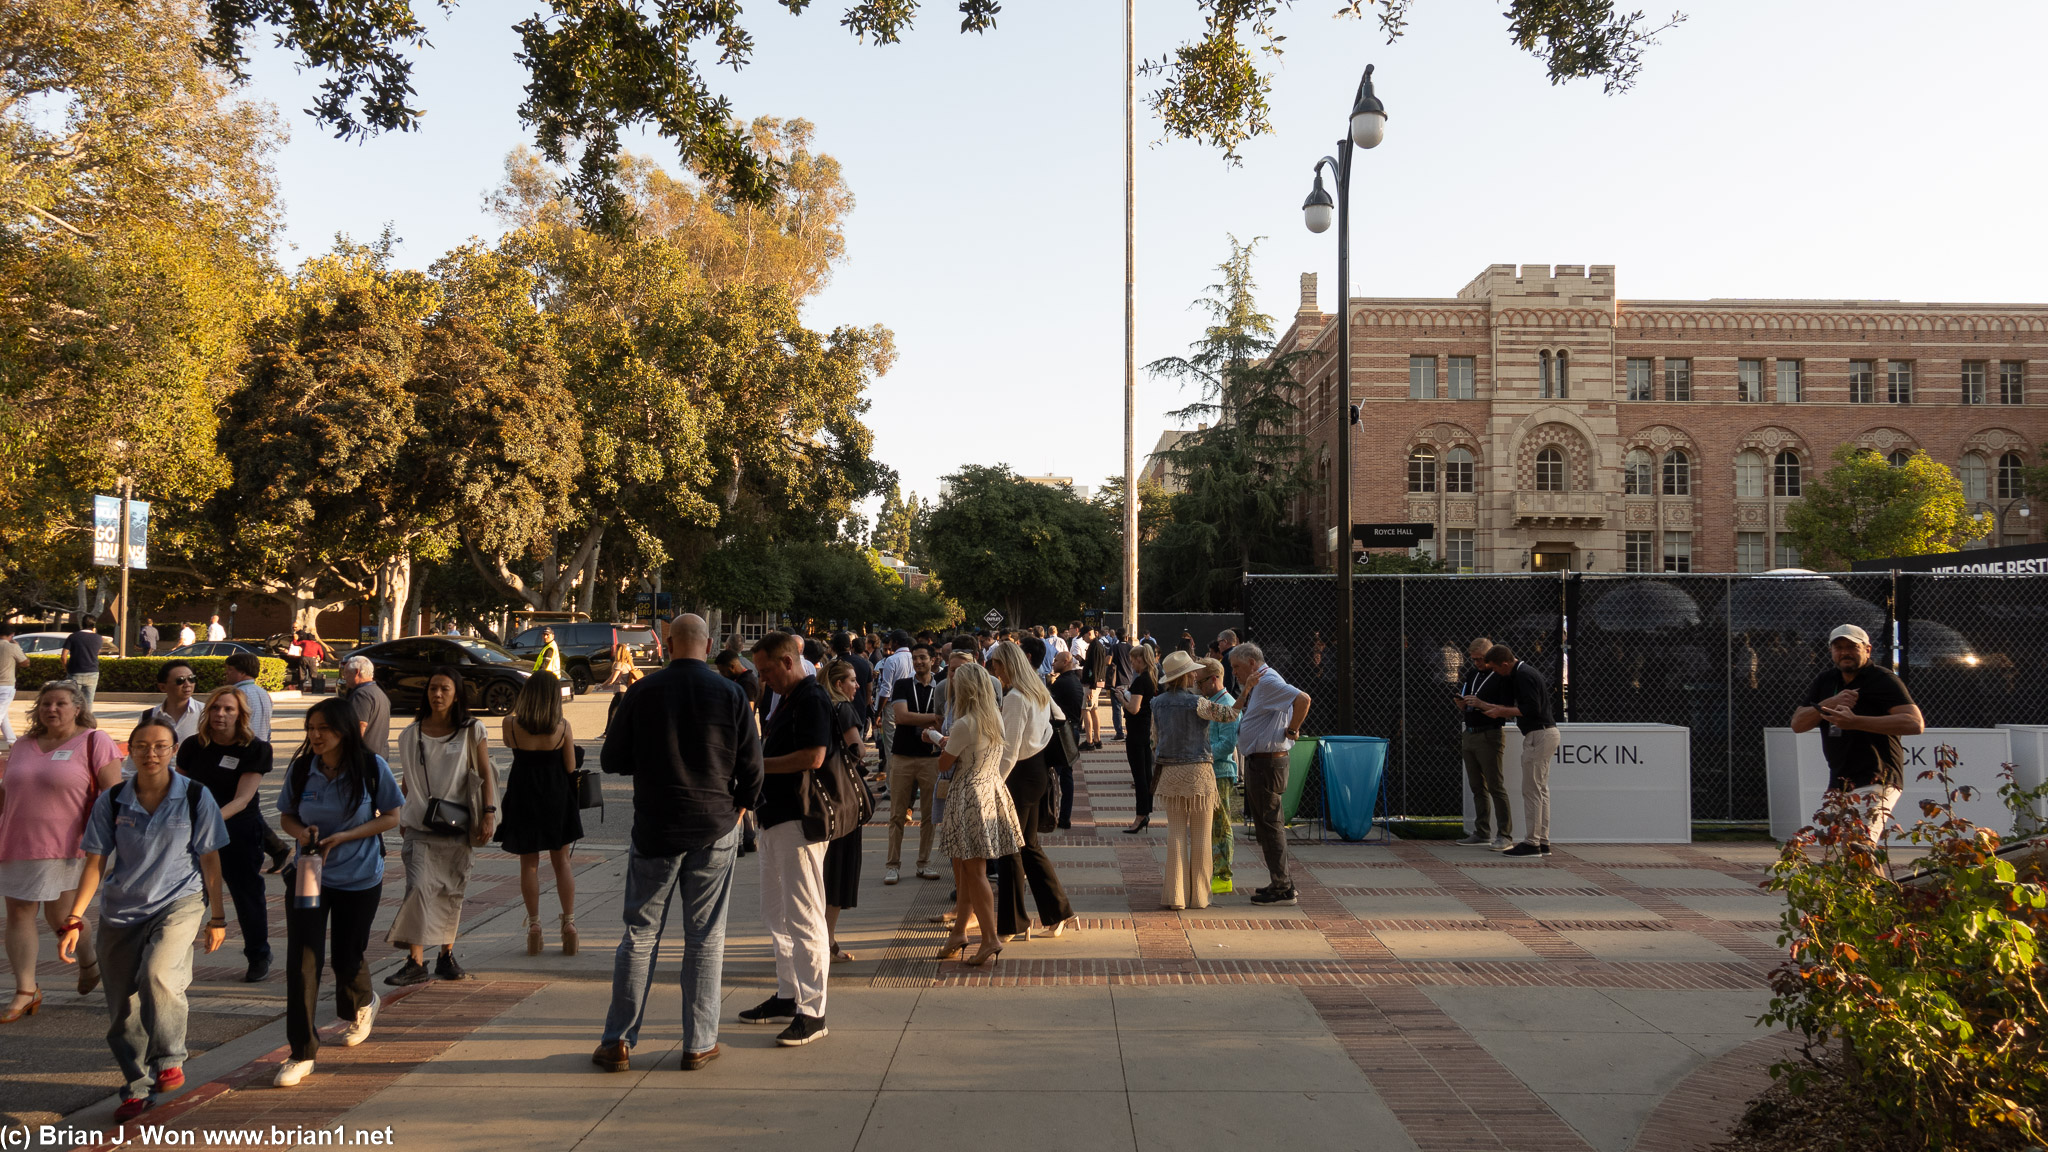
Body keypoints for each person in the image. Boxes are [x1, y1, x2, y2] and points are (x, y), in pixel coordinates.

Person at [594, 614, 761, 1074]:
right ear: (707, 646)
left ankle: (618, 1040)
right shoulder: (730, 693)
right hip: (714, 824)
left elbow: (612, 759)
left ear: (668, 645)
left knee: (639, 934)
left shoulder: (642, 692)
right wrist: (741, 808)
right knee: (705, 938)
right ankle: (698, 1042)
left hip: (656, 827)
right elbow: (753, 766)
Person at [56, 716, 227, 1121]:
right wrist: (75, 917)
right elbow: (96, 861)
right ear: (128, 752)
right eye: (142, 746)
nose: (151, 754)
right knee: (123, 1010)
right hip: (121, 910)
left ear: (173, 751)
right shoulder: (112, 799)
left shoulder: (195, 796)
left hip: (179, 901)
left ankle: (169, 1058)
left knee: (157, 973)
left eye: (161, 746)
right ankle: (136, 1086)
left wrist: (217, 916)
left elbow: (210, 859)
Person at [272, 697, 404, 1087]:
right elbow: (286, 815)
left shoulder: (371, 768)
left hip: (360, 875)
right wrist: (303, 834)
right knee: (303, 961)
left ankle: (363, 1001)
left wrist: (345, 836)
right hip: (310, 874)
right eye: (310, 728)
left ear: (343, 731)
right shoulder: (301, 770)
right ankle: (301, 1052)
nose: (314, 735)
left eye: (323, 729)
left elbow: (392, 818)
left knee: (347, 958)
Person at [0, 681, 122, 1021]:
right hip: (16, 840)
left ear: (78, 708)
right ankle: (26, 989)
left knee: (60, 916)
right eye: (45, 703)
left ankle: (89, 961)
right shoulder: (23, 744)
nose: (51, 709)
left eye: (60, 704)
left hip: (68, 842)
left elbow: (114, 795)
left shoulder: (95, 742)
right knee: (20, 912)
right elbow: (7, 791)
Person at [735, 631, 834, 1047]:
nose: (763, 679)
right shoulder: (788, 698)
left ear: (789, 662)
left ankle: (814, 1012)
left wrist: (757, 765)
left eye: (767, 670)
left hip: (799, 820)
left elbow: (814, 757)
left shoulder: (811, 698)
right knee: (776, 914)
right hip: (775, 818)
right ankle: (787, 994)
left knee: (805, 915)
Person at [384, 667, 496, 986]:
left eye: (445, 689)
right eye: (433, 688)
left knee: (452, 890)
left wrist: (488, 813)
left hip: (459, 822)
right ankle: (415, 961)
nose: (437, 694)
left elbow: (485, 772)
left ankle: (446, 955)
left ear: (457, 693)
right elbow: (409, 775)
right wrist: (404, 810)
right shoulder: (412, 733)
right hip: (421, 823)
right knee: (418, 888)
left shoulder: (472, 730)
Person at [1790, 624, 1925, 845]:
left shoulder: (1882, 679)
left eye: (1852, 647)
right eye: (1839, 647)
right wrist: (1830, 703)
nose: (1845, 652)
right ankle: (1878, 882)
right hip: (1840, 781)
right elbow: (1798, 724)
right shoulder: (1826, 681)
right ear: (1831, 651)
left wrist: (1855, 722)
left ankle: (1872, 881)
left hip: (1877, 777)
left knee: (1858, 845)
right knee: (1844, 850)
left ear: (1867, 650)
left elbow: (1914, 723)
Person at [176, 687, 276, 982]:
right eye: (216, 708)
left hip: (238, 830)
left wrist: (210, 821)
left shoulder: (255, 749)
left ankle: (258, 954)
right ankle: (174, 955)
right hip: (193, 833)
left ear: (241, 715)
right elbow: (178, 788)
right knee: (191, 895)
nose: (221, 714)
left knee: (247, 894)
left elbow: (243, 798)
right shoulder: (194, 745)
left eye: (229, 709)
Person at [1200, 643, 1312, 906]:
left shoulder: (1269, 680)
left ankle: (1283, 887)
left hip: (1267, 763)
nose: (1234, 673)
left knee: (1271, 825)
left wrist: (1293, 730)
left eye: (1237, 667)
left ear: (1252, 663)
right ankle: (1279, 881)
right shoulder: (1261, 683)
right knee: (1265, 825)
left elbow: (1303, 699)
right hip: (1259, 762)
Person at [987, 641, 1076, 939]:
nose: (994, 670)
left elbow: (1010, 751)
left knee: (1011, 849)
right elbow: (1060, 719)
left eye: (997, 664)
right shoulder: (1038, 691)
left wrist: (993, 784)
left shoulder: (1015, 697)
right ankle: (1056, 912)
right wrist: (1041, 740)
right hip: (1036, 772)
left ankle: (1015, 923)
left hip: (1018, 776)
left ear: (1008, 665)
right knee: (1027, 846)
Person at [932, 663, 1020, 967]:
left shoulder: (964, 723)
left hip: (968, 794)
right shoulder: (993, 716)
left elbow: (945, 765)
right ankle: (959, 933)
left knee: (974, 871)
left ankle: (989, 938)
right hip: (990, 789)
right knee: (967, 870)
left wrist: (937, 742)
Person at [497, 671, 583, 957]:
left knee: (529, 864)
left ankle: (534, 926)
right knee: (562, 863)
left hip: (524, 795)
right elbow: (570, 767)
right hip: (556, 796)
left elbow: (512, 747)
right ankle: (569, 925)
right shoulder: (561, 727)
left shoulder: (510, 724)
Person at [1150, 651, 1219, 910]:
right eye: (1192, 671)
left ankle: (1176, 895)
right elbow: (1230, 715)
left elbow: (1155, 739)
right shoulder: (1198, 703)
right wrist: (1244, 695)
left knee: (1176, 833)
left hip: (1169, 772)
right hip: (1199, 772)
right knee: (1202, 835)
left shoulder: (1157, 703)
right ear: (1186, 676)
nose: (1195, 674)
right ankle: (1200, 896)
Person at [1475, 644, 1558, 858]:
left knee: (1532, 790)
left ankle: (1532, 843)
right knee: (1540, 790)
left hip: (1538, 734)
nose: (1494, 673)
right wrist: (1490, 706)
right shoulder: (1521, 673)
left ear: (1505, 664)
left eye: (1495, 669)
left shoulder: (1523, 676)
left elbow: (1532, 708)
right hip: (1544, 733)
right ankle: (1542, 840)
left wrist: (1501, 710)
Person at [884, 646, 944, 885]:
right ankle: (892, 865)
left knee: (930, 815)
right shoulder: (902, 685)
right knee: (897, 813)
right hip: (903, 756)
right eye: (915, 658)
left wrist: (925, 718)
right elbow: (901, 717)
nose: (919, 662)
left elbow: (946, 716)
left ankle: (924, 863)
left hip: (931, 757)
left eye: (923, 658)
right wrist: (933, 718)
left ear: (932, 660)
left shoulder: (940, 686)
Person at [820, 660, 867, 963]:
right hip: (844, 801)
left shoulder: (818, 706)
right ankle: (827, 939)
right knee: (838, 874)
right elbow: (858, 749)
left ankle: (821, 938)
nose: (857, 685)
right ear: (838, 685)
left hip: (820, 798)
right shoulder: (844, 709)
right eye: (851, 680)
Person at [1455, 637, 1514, 850]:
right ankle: (1482, 831)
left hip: (1489, 733)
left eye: (1481, 659)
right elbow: (1467, 698)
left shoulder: (1499, 676)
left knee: (1495, 784)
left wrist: (1481, 704)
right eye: (1474, 659)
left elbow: (1505, 707)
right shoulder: (1472, 675)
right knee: (1476, 785)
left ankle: (1505, 833)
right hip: (1470, 731)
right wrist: (1463, 704)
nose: (1478, 663)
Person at [1197, 657, 1238, 894]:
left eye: (1201, 682)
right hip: (1207, 769)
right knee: (1209, 825)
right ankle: (1213, 869)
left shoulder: (1228, 705)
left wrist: (1204, 755)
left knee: (1221, 825)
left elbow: (1227, 744)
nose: (1199, 687)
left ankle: (1224, 874)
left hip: (1220, 772)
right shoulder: (1208, 702)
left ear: (1214, 678)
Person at [1113, 644, 1159, 834]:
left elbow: (1134, 708)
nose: (1131, 663)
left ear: (1140, 659)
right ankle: (1145, 811)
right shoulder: (1151, 677)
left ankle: (1141, 815)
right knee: (1146, 775)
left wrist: (1121, 697)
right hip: (1144, 730)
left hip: (1137, 731)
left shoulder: (1141, 680)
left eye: (1133, 659)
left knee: (1140, 776)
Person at [1048, 651, 1088, 830]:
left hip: (1063, 732)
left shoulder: (1062, 683)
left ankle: (1053, 815)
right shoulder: (1074, 681)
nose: (1053, 663)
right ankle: (1064, 816)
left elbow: (1049, 705)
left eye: (1056, 660)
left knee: (1056, 774)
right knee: (1066, 774)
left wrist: (1050, 686)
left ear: (1065, 662)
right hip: (1072, 729)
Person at [872, 631, 915, 778]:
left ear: (895, 643)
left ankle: (892, 785)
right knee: (910, 744)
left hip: (893, 706)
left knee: (891, 746)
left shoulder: (892, 660)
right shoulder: (914, 657)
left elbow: (886, 689)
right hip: (912, 706)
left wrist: (878, 712)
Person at [340, 655, 391, 762]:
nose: (344, 677)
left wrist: (348, 756)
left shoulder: (361, 695)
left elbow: (359, 726)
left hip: (364, 758)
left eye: (346, 673)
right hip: (379, 756)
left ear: (357, 672)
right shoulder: (379, 692)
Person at [146, 662, 206, 744]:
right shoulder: (149, 716)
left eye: (191, 679)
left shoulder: (206, 712)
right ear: (163, 687)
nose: (188, 684)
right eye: (180, 680)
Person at [223, 653, 274, 742]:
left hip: (243, 744)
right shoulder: (263, 693)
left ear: (242, 672)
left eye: (230, 669)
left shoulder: (237, 694)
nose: (226, 672)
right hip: (262, 744)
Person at [64, 615, 103, 708]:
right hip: (92, 672)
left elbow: (63, 656)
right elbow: (97, 652)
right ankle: (87, 721)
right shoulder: (98, 638)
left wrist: (67, 669)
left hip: (74, 672)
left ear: (82, 624)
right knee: (88, 704)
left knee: (73, 703)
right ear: (94, 625)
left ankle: (73, 721)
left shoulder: (73, 637)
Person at [1081, 626, 1108, 750]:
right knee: (1093, 710)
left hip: (1093, 683)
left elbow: (1096, 666)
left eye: (1083, 636)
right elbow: (1092, 664)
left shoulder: (1096, 646)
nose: (1083, 638)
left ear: (1089, 633)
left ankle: (1089, 741)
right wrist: (1082, 661)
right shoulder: (1096, 645)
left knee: (1085, 709)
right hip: (1096, 682)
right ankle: (1097, 739)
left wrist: (1092, 686)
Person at [0, 624, 26, 747]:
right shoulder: (12, 647)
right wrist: (18, 648)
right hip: (6, 685)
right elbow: (25, 662)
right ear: (11, 635)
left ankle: (12, 742)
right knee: (1, 714)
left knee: (3, 715)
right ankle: (12, 742)